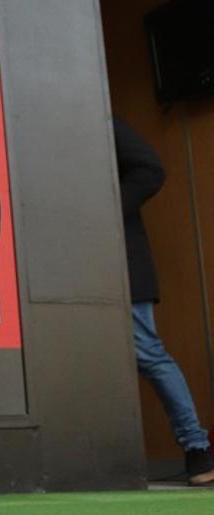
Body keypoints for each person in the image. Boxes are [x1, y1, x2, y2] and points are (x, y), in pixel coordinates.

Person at [113, 117, 214, 486]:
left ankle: (197, 449)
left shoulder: (100, 121)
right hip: (69, 263)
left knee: (149, 354)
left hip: (123, 261)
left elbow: (150, 168)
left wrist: (106, 209)